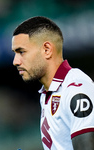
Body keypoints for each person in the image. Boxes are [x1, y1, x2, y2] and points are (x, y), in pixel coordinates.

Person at [11, 16, 94, 150]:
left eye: (21, 52)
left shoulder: (76, 88)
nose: (15, 61)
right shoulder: (47, 94)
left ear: (47, 50)